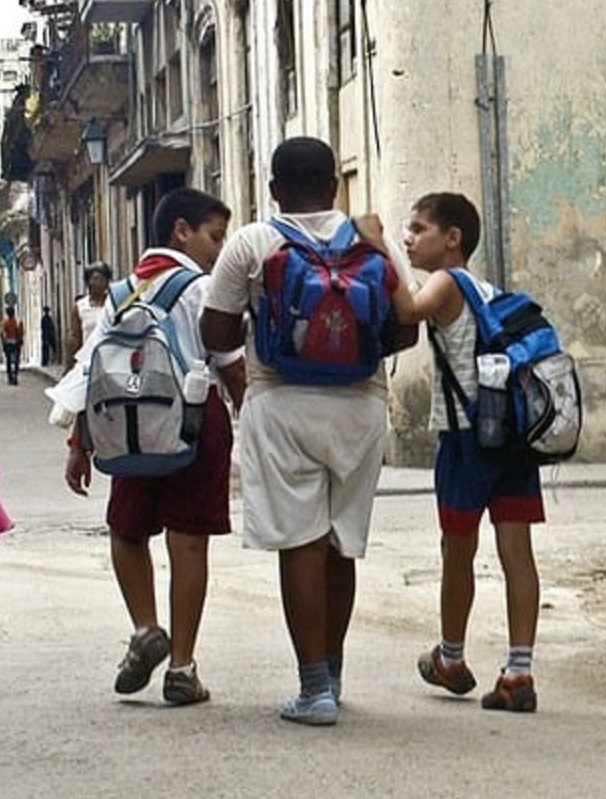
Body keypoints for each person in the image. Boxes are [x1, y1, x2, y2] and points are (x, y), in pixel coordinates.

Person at [200, 136, 416, 726]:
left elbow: (215, 328)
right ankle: (335, 671)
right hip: (360, 406)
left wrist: (237, 377)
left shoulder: (252, 241)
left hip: (280, 400)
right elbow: (405, 332)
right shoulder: (369, 241)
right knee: (339, 541)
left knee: (300, 540)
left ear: (274, 190)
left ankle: (313, 688)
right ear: (331, 186)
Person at [64, 187, 245, 706]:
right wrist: (254, 423)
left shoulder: (118, 294)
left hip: (128, 420)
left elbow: (90, 372)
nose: (219, 247)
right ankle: (182, 668)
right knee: (188, 540)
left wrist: (81, 442)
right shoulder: (204, 288)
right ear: (181, 231)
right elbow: (230, 362)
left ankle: (145, 629)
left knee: (126, 530)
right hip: (193, 419)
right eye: (214, 236)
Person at [363, 192, 544, 713]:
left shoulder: (447, 282)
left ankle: (451, 655)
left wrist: (378, 249)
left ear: (453, 238)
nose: (408, 238)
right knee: (518, 553)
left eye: (419, 229)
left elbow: (406, 310)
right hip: (512, 434)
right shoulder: (487, 289)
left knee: (457, 551)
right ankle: (518, 669)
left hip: (467, 437)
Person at [67, 260, 112, 366]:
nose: (99, 283)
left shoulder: (113, 303)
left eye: (103, 279)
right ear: (88, 282)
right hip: (88, 361)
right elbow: (75, 337)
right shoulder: (80, 307)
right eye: (95, 279)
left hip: (111, 360)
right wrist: (70, 364)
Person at [2, 306, 24, 385]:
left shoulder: (5, 323)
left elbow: (3, 334)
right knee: (16, 361)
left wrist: (4, 343)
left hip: (8, 344)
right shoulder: (17, 322)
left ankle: (10, 377)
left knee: (8, 361)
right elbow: (20, 333)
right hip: (15, 344)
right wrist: (20, 340)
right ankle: (15, 376)